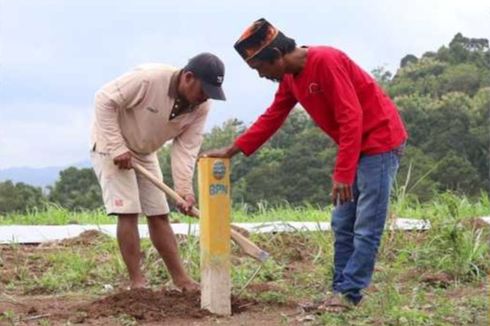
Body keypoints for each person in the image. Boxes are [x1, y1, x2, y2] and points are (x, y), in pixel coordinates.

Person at [200, 18, 407, 310]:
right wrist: (231, 150)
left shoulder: (326, 60)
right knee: (342, 222)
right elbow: (273, 116)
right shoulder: (290, 79)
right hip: (355, 148)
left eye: (260, 68)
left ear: (275, 56)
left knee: (366, 225)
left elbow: (352, 117)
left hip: (380, 143)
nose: (261, 76)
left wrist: (343, 173)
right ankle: (339, 291)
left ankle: (349, 294)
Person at [91, 53, 226, 290]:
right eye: (203, 90)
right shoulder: (148, 79)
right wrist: (117, 147)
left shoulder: (201, 107)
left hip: (145, 151)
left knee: (159, 212)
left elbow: (186, 148)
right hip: (110, 144)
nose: (204, 98)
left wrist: (184, 190)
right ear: (188, 77)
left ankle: (181, 279)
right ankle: (137, 282)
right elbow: (103, 100)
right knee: (129, 211)